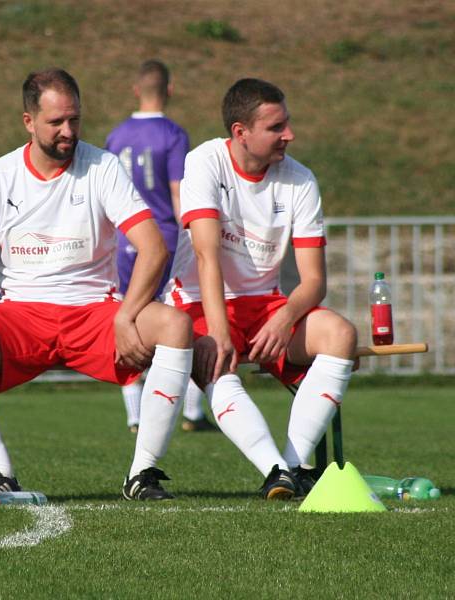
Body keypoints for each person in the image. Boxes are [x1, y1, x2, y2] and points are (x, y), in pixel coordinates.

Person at [0, 68, 194, 502]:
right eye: (56, 122)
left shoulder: (103, 166)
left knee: (176, 327)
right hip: (21, 316)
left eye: (74, 119)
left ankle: (142, 473)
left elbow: (153, 247)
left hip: (95, 313)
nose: (68, 131)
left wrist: (127, 314)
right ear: (28, 122)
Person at [165, 78, 357, 500]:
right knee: (215, 356)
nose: (289, 135)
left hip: (268, 305)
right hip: (201, 300)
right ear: (240, 132)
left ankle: (289, 467)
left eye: (286, 124)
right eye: (276, 127)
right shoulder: (205, 161)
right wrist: (218, 330)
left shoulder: (301, 180)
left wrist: (285, 316)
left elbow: (314, 282)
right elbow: (206, 257)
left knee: (341, 335)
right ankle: (274, 468)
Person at [106, 60, 215, 434]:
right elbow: (177, 192)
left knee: (128, 319)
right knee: (179, 319)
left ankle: (134, 415)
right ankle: (191, 413)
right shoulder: (173, 134)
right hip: (163, 239)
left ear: (136, 90)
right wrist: (194, 235)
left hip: (124, 241)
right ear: (170, 90)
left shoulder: (116, 136)